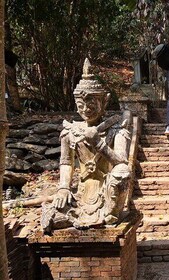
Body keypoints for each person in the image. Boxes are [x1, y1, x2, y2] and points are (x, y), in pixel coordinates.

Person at [41, 59, 133, 233]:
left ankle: (109, 214)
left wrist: (98, 142)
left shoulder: (117, 130)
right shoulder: (70, 132)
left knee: (122, 173)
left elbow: (121, 162)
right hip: (82, 191)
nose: (86, 109)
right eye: (81, 105)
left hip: (107, 189)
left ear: (104, 102)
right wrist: (63, 188)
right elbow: (66, 162)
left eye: (91, 104)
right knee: (55, 212)